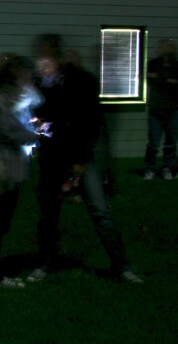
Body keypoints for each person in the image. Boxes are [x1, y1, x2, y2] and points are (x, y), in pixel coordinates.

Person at [28, 39, 143, 284]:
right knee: (49, 215)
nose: (43, 61)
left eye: (47, 56)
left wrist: (79, 158)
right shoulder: (40, 83)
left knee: (100, 212)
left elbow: (88, 121)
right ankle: (47, 262)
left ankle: (122, 266)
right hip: (52, 159)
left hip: (80, 158)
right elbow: (38, 115)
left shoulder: (79, 81)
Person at [0, 55, 42, 288]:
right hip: (2, 166)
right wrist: (35, 136)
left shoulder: (18, 98)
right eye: (23, 76)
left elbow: (31, 113)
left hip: (14, 166)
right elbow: (6, 131)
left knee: (2, 219)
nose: (27, 80)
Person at [143, 39, 178, 180]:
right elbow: (152, 81)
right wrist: (169, 80)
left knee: (171, 141)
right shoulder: (153, 64)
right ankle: (149, 168)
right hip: (156, 108)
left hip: (174, 109)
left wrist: (161, 78)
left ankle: (167, 167)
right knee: (153, 142)